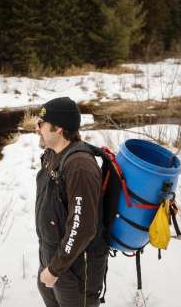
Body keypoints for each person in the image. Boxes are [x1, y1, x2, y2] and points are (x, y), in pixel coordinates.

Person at [35, 97, 108, 307]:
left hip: (76, 270)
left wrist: (55, 269)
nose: (37, 129)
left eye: (41, 124)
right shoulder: (52, 155)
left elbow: (82, 227)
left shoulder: (80, 167)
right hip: (53, 257)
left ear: (58, 128)